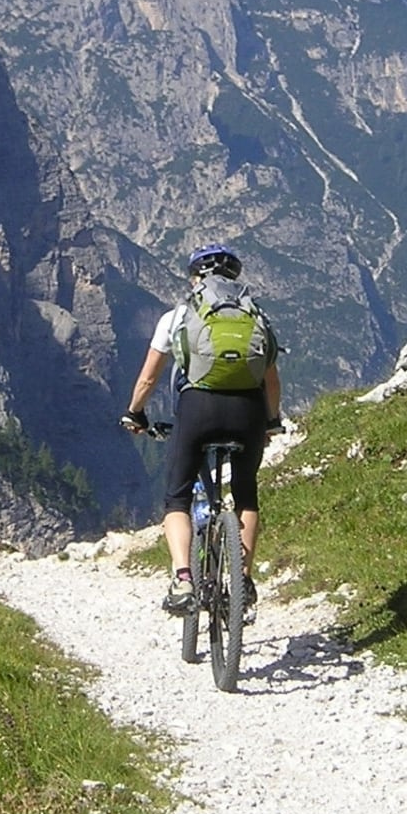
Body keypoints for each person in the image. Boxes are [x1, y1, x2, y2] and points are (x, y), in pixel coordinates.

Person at [121, 243, 283, 615]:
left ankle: (183, 580)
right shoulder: (257, 317)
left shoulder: (176, 317)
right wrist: (271, 420)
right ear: (234, 279)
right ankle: (241, 582)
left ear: (195, 279)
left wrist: (135, 413)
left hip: (198, 410)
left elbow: (148, 379)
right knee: (245, 496)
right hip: (248, 411)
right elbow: (271, 382)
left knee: (177, 498)